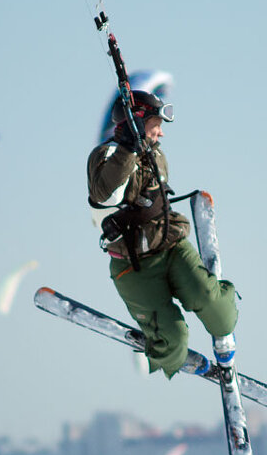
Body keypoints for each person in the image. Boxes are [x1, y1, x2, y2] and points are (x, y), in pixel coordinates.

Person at [87, 91, 238, 378]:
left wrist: (139, 145)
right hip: (133, 266)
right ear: (137, 121)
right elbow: (107, 196)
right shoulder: (105, 156)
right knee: (174, 340)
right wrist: (127, 149)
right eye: (157, 124)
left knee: (215, 307)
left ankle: (221, 313)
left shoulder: (155, 153)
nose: (161, 133)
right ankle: (172, 355)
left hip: (171, 245)